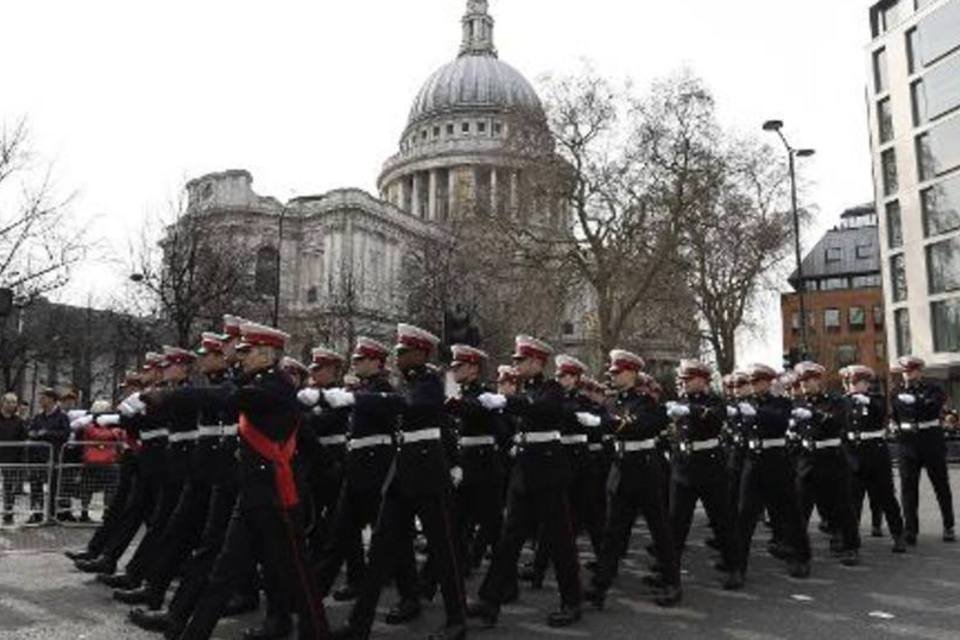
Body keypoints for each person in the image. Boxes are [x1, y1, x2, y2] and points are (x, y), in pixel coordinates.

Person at [176, 320, 328, 640]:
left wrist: (172, 397)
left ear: (267, 353)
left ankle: (316, 632)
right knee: (223, 572)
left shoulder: (276, 386)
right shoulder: (258, 382)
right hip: (253, 493)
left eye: (247, 351)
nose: (241, 357)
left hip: (276, 495)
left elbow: (230, 398)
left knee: (298, 574)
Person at [323, 324, 466, 640]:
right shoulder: (406, 384)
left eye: (403, 351)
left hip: (429, 473)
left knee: (444, 552)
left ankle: (457, 620)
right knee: (380, 550)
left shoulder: (431, 382)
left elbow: (413, 405)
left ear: (420, 353)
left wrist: (356, 400)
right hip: (401, 474)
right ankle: (360, 623)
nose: (397, 356)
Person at [468, 335, 583, 629]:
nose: (516, 365)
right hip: (524, 474)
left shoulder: (552, 390)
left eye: (521, 360)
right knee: (509, 539)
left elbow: (541, 409)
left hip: (548, 473)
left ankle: (572, 602)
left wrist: (506, 400)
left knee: (559, 541)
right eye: (516, 360)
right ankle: (490, 600)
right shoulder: (526, 392)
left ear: (537, 362)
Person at [307, 337, 420, 623]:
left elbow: (389, 408)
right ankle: (312, 595)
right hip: (356, 472)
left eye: (361, 359)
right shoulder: (362, 390)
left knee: (394, 540)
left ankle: (410, 597)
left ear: (376, 363)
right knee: (339, 534)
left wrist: (352, 397)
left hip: (376, 473)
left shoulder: (382, 390)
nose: (355, 363)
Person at [585, 350, 680, 609]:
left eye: (617, 372)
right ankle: (600, 585)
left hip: (645, 472)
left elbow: (641, 426)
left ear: (631, 373)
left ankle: (672, 583)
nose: (612, 376)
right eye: (612, 372)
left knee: (659, 530)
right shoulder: (613, 402)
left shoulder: (646, 402)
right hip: (622, 470)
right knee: (612, 532)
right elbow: (612, 422)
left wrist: (606, 423)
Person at [729, 363, 811, 587]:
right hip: (753, 462)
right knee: (744, 515)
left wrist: (757, 413)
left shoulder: (781, 402)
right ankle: (737, 568)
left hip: (777, 461)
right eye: (751, 383)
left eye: (757, 382)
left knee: (790, 512)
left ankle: (800, 557)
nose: (753, 386)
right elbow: (737, 430)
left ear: (767, 381)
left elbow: (780, 421)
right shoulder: (745, 404)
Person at [666, 360, 738, 589]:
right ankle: (669, 574)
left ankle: (734, 567)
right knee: (676, 523)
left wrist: (692, 410)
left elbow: (716, 417)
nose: (683, 383)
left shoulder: (715, 401)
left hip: (709, 468)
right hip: (684, 467)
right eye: (682, 379)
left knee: (721, 521)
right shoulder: (681, 402)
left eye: (688, 379)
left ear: (701, 380)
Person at [791, 361, 860, 566]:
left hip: (832, 459)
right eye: (801, 381)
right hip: (807, 460)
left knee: (842, 505)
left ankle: (850, 546)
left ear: (818, 381)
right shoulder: (797, 404)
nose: (803, 384)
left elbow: (838, 421)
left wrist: (815, 414)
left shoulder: (836, 400)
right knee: (800, 508)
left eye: (808, 380)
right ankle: (798, 553)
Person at [447, 345, 506, 573]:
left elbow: (474, 410)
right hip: (467, 463)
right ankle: (459, 567)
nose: (454, 371)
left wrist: (453, 404)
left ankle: (505, 581)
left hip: (484, 467)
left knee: (493, 527)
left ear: (473, 368)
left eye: (459, 366)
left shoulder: (485, 395)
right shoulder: (464, 395)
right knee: (455, 523)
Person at [840, 364, 906, 553]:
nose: (853, 386)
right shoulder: (843, 402)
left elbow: (881, 413)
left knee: (886, 497)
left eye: (858, 382)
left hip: (876, 454)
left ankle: (898, 535)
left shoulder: (876, 399)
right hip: (853, 454)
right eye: (850, 382)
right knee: (853, 501)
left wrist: (866, 401)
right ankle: (851, 545)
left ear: (867, 384)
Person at [890, 355, 954, 544]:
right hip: (907, 443)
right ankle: (910, 530)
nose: (906, 376)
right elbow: (895, 415)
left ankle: (948, 525)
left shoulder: (933, 388)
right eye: (904, 372)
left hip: (930, 440)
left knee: (940, 485)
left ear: (918, 371)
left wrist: (915, 401)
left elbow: (933, 408)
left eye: (909, 371)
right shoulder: (896, 391)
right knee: (908, 489)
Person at [27, 388, 71, 523]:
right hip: (37, 458)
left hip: (53, 457)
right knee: (36, 486)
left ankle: (52, 514)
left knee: (53, 487)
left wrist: (46, 433)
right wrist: (32, 434)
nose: (41, 400)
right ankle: (36, 513)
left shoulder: (62, 416)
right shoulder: (38, 417)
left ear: (52, 399)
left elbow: (65, 434)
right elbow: (32, 430)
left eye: (44, 397)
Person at [0, 392, 27, 525]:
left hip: (11, 459)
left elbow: (23, 440)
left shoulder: (19, 421)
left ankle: (8, 513)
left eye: (14, 402)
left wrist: (22, 461)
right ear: (2, 402)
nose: (11, 405)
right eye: (8, 402)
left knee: (9, 488)